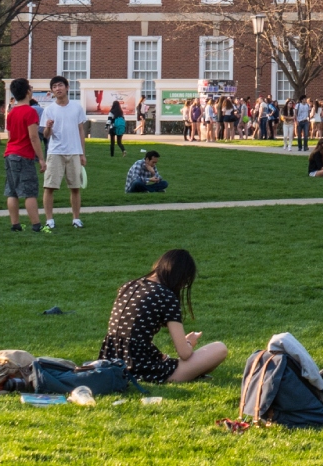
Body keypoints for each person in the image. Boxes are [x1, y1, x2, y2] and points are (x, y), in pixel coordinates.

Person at [100, 249, 228, 384]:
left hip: (112, 362)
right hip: (142, 369)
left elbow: (133, 334)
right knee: (219, 349)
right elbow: (184, 354)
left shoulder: (128, 286)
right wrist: (189, 342)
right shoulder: (166, 296)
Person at [39, 75, 88, 232]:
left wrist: (82, 153)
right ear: (52, 91)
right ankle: (49, 220)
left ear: (67, 87)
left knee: (75, 187)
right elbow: (46, 135)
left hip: (74, 152)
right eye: (54, 87)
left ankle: (76, 218)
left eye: (60, 85)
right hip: (55, 152)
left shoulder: (77, 107)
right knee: (49, 187)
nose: (57, 89)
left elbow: (81, 131)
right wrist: (48, 127)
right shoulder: (49, 110)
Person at [2, 79, 45, 231]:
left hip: (10, 154)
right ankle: (36, 225)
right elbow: (34, 137)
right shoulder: (30, 111)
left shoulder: (12, 113)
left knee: (12, 191)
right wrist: (41, 158)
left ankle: (15, 224)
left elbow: (10, 136)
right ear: (27, 92)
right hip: (23, 155)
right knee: (29, 192)